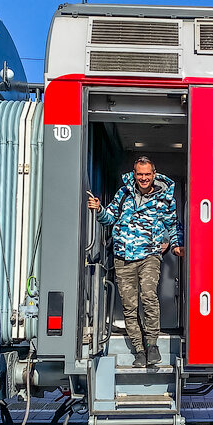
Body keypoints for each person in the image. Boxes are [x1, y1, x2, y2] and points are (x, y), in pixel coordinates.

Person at [87, 156, 184, 367]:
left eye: (147, 174)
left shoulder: (164, 198)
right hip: (123, 258)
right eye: (139, 174)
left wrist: (176, 245)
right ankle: (139, 350)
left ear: (154, 174)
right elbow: (109, 218)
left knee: (149, 297)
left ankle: (152, 345)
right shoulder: (123, 194)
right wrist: (99, 209)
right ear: (134, 174)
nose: (143, 178)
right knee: (130, 307)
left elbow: (172, 224)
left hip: (149, 255)